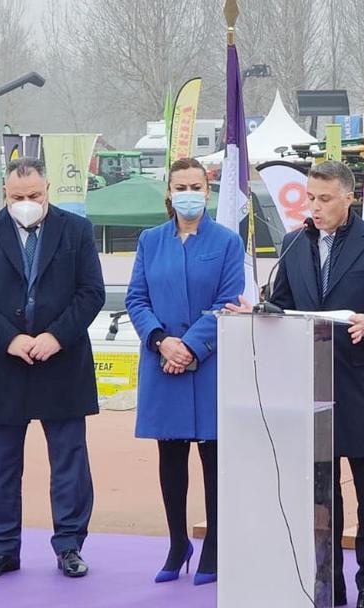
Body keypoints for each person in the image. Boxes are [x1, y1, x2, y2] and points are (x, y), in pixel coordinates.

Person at [226, 160, 364, 608]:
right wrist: (258, 315)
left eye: (325, 199)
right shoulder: (294, 244)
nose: (315, 207)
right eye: (310, 198)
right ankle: (329, 582)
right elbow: (283, 306)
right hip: (310, 387)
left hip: (359, 383)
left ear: (349, 197)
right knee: (321, 495)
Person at [0, 157, 105, 581]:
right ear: (5, 194)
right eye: (18, 197)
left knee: (70, 462)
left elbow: (91, 292)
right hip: (3, 366)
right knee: (0, 466)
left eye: (34, 196)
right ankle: (2, 548)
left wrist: (56, 336)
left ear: (48, 190)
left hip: (62, 362)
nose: (26, 203)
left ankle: (70, 546)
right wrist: (9, 338)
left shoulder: (76, 231)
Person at [125, 157, 244, 586]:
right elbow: (136, 298)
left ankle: (215, 541)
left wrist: (191, 347)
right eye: (180, 186)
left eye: (196, 185)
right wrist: (161, 341)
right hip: (162, 362)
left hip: (208, 363)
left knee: (213, 457)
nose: (188, 192)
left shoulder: (227, 241)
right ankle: (178, 542)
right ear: (169, 192)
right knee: (170, 456)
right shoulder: (150, 240)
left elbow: (229, 300)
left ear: (207, 191)